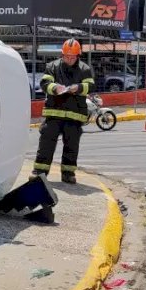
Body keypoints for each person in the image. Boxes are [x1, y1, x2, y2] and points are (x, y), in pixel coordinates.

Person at [30, 39, 95, 184]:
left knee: (71, 145)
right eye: (67, 57)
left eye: (73, 57)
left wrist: (77, 88)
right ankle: (39, 172)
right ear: (62, 54)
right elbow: (45, 83)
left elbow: (90, 86)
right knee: (46, 143)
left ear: (78, 56)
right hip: (54, 113)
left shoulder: (84, 69)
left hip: (75, 115)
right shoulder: (52, 66)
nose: (69, 60)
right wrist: (54, 88)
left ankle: (68, 173)